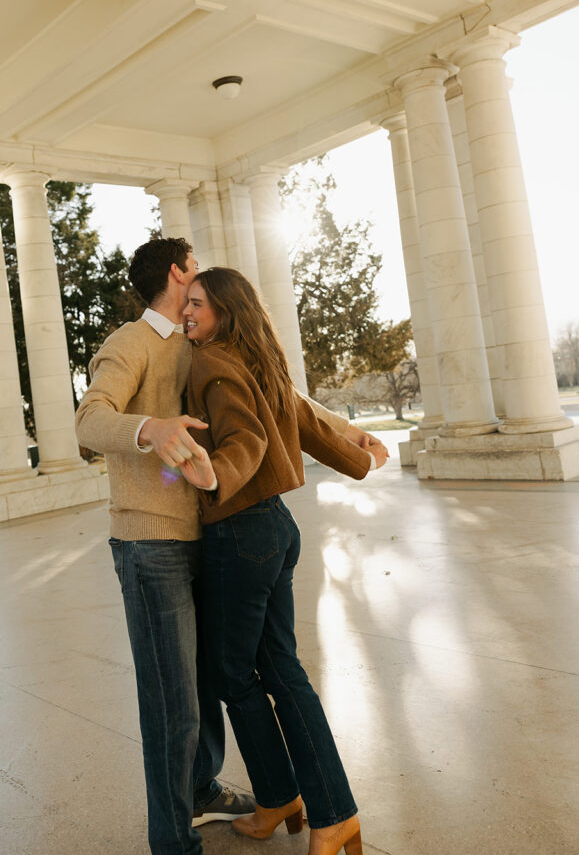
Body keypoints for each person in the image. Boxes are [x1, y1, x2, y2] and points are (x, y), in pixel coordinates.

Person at [177, 267, 388, 855]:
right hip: (275, 528)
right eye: (185, 302)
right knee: (281, 671)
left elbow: (246, 438)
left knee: (231, 676)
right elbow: (305, 419)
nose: (187, 312)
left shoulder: (210, 363)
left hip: (240, 533)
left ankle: (303, 802)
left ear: (225, 311)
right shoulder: (258, 358)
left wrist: (214, 474)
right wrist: (362, 456)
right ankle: (310, 808)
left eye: (198, 304)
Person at [75, 238, 256, 855]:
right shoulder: (131, 343)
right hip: (149, 546)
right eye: (195, 265)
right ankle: (171, 841)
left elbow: (272, 397)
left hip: (206, 537)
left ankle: (201, 790)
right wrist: (150, 428)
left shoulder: (203, 339)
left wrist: (345, 432)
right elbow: (90, 419)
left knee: (204, 688)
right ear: (178, 272)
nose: (200, 274)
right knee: (171, 702)